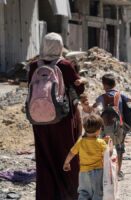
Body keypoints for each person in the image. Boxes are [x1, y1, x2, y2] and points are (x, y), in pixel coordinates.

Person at [28, 33, 84, 200]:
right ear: (59, 46)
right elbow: (79, 90)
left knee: (44, 156)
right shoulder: (65, 65)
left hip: (39, 119)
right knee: (67, 154)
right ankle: (68, 194)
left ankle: (46, 195)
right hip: (63, 119)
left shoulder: (33, 66)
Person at [92, 73, 131, 179]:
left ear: (105, 86)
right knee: (119, 148)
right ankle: (118, 171)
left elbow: (94, 106)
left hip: (105, 127)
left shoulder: (102, 97)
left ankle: (106, 171)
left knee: (105, 148)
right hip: (119, 126)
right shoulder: (120, 95)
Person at [63, 114, 108, 200]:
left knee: (83, 193)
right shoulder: (101, 143)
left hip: (83, 173)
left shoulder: (80, 141)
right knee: (97, 194)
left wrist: (66, 163)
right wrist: (109, 143)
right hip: (97, 172)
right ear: (98, 130)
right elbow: (108, 153)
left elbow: (71, 153)